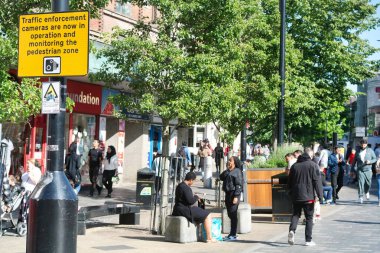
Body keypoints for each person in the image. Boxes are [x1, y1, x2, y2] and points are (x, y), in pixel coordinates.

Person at [287, 148, 323, 246]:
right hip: (309, 196)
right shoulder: (313, 165)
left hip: (296, 196)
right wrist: (320, 196)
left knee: (295, 215)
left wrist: (290, 192)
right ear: (309, 157)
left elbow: (289, 181)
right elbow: (317, 182)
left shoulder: (294, 166)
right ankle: (308, 240)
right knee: (309, 218)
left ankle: (292, 231)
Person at [172, 172, 216, 243]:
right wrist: (196, 197)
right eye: (194, 181)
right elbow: (190, 201)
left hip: (177, 209)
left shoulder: (179, 185)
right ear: (191, 180)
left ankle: (200, 234)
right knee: (207, 214)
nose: (193, 183)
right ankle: (209, 238)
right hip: (185, 210)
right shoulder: (186, 188)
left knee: (198, 210)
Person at [219, 156, 243, 241]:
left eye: (230, 160)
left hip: (234, 194)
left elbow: (239, 185)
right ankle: (232, 233)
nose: (229, 161)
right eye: (228, 160)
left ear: (234, 162)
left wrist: (236, 196)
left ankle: (233, 234)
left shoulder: (237, 171)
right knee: (229, 213)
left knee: (233, 214)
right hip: (228, 194)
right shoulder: (229, 171)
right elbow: (221, 177)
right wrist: (227, 169)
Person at [352, 139, 377, 204]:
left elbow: (375, 159)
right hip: (360, 170)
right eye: (362, 144)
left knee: (368, 183)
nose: (363, 145)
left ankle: (367, 191)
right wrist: (352, 169)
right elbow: (354, 161)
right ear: (360, 144)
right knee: (361, 183)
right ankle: (360, 196)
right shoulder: (357, 151)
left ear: (366, 144)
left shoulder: (370, 150)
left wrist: (370, 162)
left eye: (364, 144)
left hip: (368, 170)